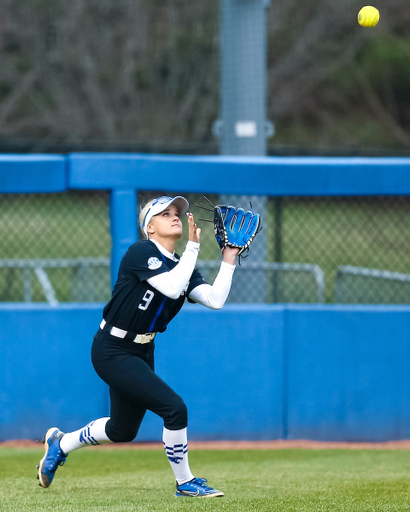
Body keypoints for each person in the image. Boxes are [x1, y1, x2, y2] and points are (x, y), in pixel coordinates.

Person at [37, 195, 239, 498]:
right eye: (165, 214)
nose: (175, 217)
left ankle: (61, 443)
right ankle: (185, 483)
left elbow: (215, 300)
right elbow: (172, 287)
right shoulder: (141, 251)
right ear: (150, 228)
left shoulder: (181, 265)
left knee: (122, 430)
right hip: (112, 348)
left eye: (177, 213)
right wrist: (194, 247)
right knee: (174, 409)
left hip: (142, 350)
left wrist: (229, 258)